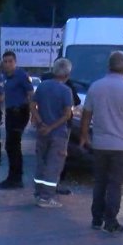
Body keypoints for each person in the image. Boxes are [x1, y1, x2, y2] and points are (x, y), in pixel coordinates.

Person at [78, 51, 123, 233]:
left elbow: (86, 115)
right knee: (115, 184)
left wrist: (84, 136)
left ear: (108, 66)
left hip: (99, 144)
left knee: (99, 182)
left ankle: (96, 218)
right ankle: (111, 220)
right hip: (122, 146)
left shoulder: (95, 87)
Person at [30, 58, 74, 208]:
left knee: (41, 162)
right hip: (58, 133)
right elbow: (67, 114)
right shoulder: (66, 91)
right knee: (54, 165)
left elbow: (32, 105)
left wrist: (41, 123)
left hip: (42, 131)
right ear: (68, 74)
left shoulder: (42, 86)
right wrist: (51, 127)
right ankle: (47, 197)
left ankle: (38, 193)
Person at [0, 51, 35, 189]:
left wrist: (33, 114)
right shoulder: (5, 76)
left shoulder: (21, 75)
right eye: (5, 61)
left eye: (10, 61)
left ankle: (16, 179)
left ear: (15, 62)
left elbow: (31, 95)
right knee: (10, 146)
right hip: (10, 113)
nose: (7, 64)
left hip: (19, 112)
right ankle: (13, 177)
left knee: (13, 146)